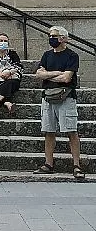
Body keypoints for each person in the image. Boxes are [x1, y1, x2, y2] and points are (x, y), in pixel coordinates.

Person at [34, 26, 84, 181]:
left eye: (54, 36)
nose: (51, 38)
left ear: (64, 38)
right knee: (49, 131)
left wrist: (47, 75)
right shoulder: (46, 55)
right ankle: (48, 164)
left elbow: (67, 78)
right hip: (48, 97)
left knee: (71, 131)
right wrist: (56, 73)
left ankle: (76, 165)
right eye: (50, 35)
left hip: (66, 97)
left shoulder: (72, 55)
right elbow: (38, 74)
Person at [0, 33, 23, 113]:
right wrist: (0, 74)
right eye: (1, 40)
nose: (3, 42)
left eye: (5, 41)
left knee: (10, 83)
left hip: (11, 79)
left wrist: (9, 72)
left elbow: (18, 67)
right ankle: (7, 103)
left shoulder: (13, 54)